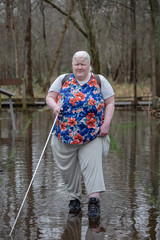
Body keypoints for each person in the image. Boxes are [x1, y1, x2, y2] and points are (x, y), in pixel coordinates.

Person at [46, 51, 115, 218]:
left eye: (83, 64)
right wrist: (54, 106)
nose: (79, 67)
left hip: (92, 134)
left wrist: (106, 124)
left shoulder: (99, 80)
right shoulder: (63, 79)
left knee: (93, 167)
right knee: (68, 170)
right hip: (64, 135)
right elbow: (49, 97)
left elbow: (110, 102)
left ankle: (93, 202)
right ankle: (74, 198)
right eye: (76, 64)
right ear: (72, 65)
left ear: (89, 65)